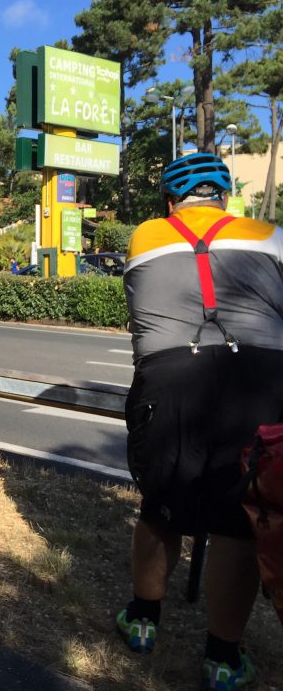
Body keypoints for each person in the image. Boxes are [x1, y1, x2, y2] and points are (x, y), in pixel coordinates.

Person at [116, 152, 283, 689]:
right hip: (258, 381)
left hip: (169, 380)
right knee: (238, 520)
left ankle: (143, 621)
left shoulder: (144, 237)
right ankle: (222, 659)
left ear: (170, 203)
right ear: (225, 198)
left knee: (160, 506)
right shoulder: (271, 236)